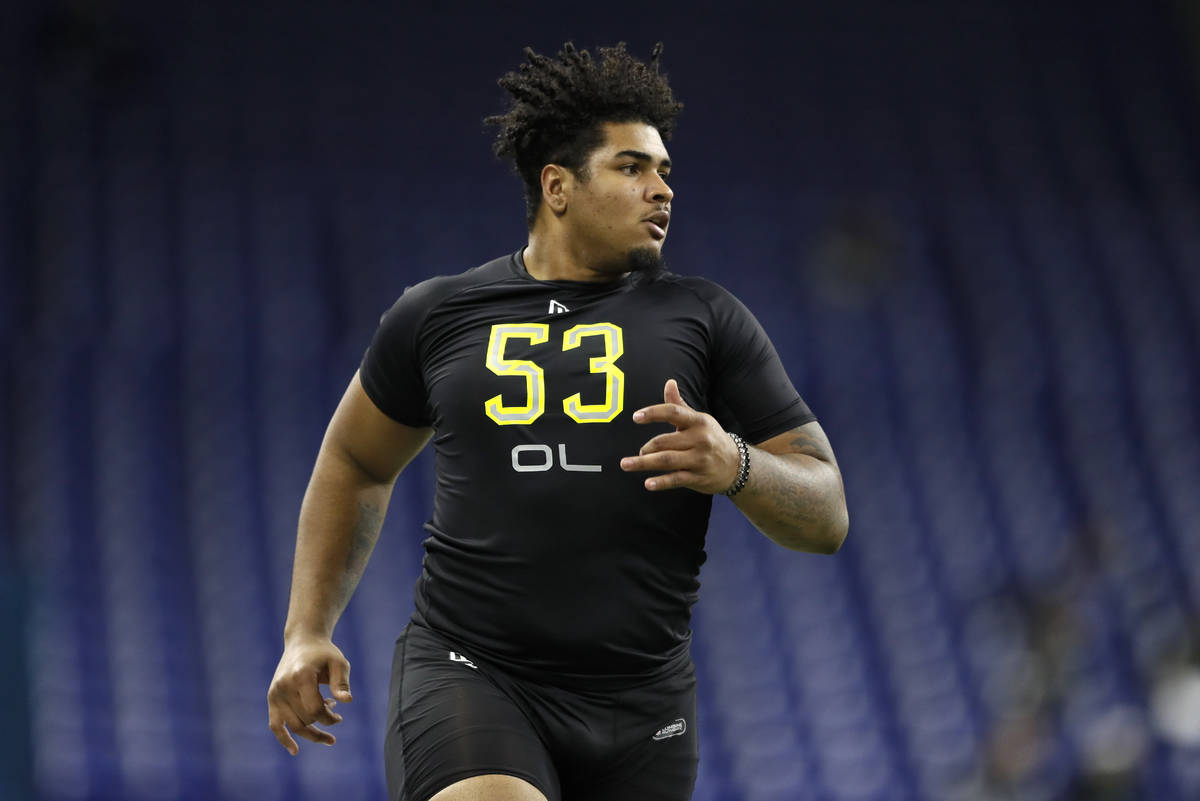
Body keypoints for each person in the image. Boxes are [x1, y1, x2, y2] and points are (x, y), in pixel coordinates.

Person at [267, 41, 848, 801]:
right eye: (632, 167)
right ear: (558, 186)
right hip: (473, 673)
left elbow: (828, 512)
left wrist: (737, 463)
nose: (661, 189)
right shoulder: (436, 314)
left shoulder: (708, 319)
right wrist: (306, 629)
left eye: (666, 171)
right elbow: (356, 462)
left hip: (645, 705)